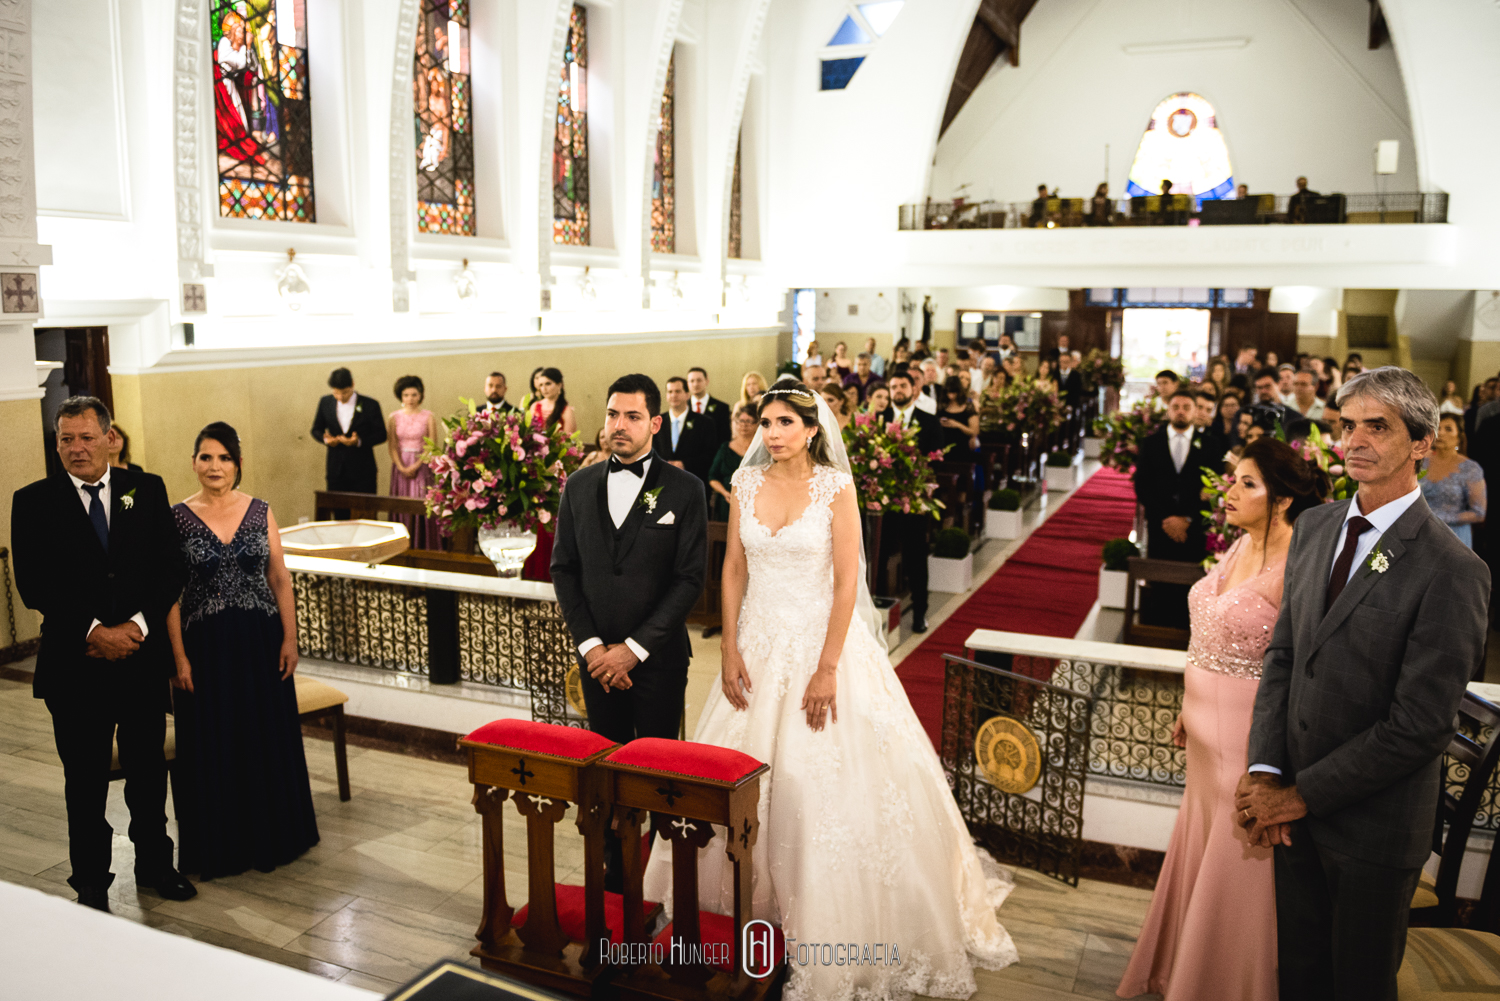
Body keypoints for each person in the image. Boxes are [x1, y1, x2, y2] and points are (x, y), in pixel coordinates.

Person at [641, 383, 1018, 998]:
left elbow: (849, 583)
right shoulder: (744, 485)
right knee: (740, 779)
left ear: (812, 429)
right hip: (758, 648)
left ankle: (828, 923)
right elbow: (732, 568)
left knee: (822, 787)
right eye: (766, 422)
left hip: (824, 645)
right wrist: (730, 646)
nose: (773, 433)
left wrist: (827, 668)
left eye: (786, 422)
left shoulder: (836, 489)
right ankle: (728, 911)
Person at [1237, 367, 1489, 1001]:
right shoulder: (1318, 526)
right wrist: (1267, 770)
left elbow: (1419, 726)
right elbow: (1286, 655)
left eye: (1379, 426)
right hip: (1293, 808)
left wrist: (1298, 795)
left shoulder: (1451, 568)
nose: (1356, 440)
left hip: (1374, 829)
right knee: (1297, 977)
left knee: (1356, 987)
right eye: (1347, 426)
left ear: (1423, 442)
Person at [1119, 437, 1328, 1001]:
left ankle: (1227, 984)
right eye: (1233, 479)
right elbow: (1207, 634)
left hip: (1248, 740)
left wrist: (1277, 760)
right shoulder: (1237, 546)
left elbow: (1303, 666)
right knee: (1201, 844)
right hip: (1203, 738)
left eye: (1248, 484)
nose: (1229, 491)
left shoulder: (1301, 564)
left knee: (1239, 863)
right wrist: (1189, 708)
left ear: (1283, 500)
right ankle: (1181, 965)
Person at [10, 396, 194, 910]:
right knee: (84, 781)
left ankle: (157, 865)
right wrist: (94, 631)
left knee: (147, 773)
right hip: (76, 668)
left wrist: (135, 626)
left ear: (109, 439)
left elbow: (170, 569)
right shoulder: (33, 501)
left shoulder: (147, 489)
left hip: (139, 664)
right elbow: (34, 586)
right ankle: (90, 879)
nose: (76, 448)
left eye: (86, 437)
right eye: (66, 439)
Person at [550, 373, 707, 893]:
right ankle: (613, 878)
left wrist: (633, 650)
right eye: (613, 415)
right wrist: (593, 648)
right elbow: (564, 570)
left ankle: (662, 882)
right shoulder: (578, 485)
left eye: (633, 416)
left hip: (657, 660)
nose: (619, 426)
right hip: (596, 663)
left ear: (655, 423)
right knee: (605, 777)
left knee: (659, 778)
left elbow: (689, 580)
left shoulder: (684, 490)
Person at [166, 422, 319, 879]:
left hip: (260, 642)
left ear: (237, 464)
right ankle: (222, 845)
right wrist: (178, 658)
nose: (215, 466)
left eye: (224, 458)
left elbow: (279, 578)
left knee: (263, 735)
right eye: (206, 457)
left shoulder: (261, 510)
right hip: (205, 650)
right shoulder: (174, 517)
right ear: (193, 462)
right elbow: (168, 595)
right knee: (215, 741)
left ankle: (276, 835)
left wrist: (290, 638)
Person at [1134, 391, 1211, 625]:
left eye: (1187, 406)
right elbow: (1142, 485)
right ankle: (1156, 627)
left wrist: (1188, 518)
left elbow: (1213, 488)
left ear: (1195, 410)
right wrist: (1165, 518)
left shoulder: (1210, 444)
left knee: (1191, 584)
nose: (1181, 411)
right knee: (1160, 582)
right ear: (1168, 409)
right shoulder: (1151, 442)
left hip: (1194, 528)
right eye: (1176, 406)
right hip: (1160, 525)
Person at [875, 370, 942, 632]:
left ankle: (919, 612)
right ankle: (878, 611)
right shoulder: (879, 420)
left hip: (913, 500)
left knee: (916, 556)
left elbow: (935, 456)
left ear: (913, 389)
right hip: (882, 501)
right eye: (894, 386)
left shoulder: (929, 421)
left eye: (903, 385)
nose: (898, 390)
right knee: (879, 555)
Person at [310, 367, 387, 497]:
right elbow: (316, 429)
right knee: (339, 513)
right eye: (336, 393)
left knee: (364, 511)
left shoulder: (370, 404)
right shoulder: (325, 402)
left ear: (352, 385)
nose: (340, 397)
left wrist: (359, 441)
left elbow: (381, 434)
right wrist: (326, 439)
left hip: (363, 470)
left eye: (345, 393)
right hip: (336, 470)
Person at [386, 375, 443, 548]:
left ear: (420, 396)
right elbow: (392, 445)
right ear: (400, 396)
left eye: (414, 395)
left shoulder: (428, 416)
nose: (410, 399)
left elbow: (432, 445)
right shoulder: (394, 417)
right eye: (406, 395)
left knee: (421, 504)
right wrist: (401, 467)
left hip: (422, 466)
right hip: (400, 466)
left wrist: (417, 465)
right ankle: (401, 544)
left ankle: (423, 544)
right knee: (401, 504)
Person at [1421, 413, 1486, 548]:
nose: (1441, 433)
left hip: (1454, 538)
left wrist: (1441, 517)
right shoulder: (1421, 462)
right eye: (1438, 428)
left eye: (1448, 429)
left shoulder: (1470, 468)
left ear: (1459, 437)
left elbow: (1479, 513)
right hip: (1421, 534)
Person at [653, 375, 717, 487]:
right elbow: (651, 451)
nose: (673, 395)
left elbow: (710, 455)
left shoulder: (704, 423)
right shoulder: (657, 422)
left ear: (687, 394)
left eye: (678, 391)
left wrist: (684, 464)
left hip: (693, 483)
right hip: (662, 484)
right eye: (670, 392)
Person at [707, 403, 757, 522]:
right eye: (741, 421)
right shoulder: (725, 448)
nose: (744, 425)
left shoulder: (761, 449)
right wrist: (725, 493)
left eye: (749, 421)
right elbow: (712, 477)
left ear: (756, 424)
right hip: (727, 502)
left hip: (754, 503)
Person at [686, 366, 731, 444]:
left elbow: (725, 438)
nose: (695, 384)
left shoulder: (722, 408)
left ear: (707, 381)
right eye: (692, 381)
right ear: (687, 384)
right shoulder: (683, 407)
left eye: (699, 380)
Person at [938, 376, 979, 456]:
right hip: (944, 447)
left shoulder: (968, 407)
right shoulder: (941, 407)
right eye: (949, 392)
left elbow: (974, 431)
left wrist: (957, 425)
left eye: (954, 392)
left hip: (962, 447)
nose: (951, 395)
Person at [530, 366, 577, 435]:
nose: (544, 388)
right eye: (541, 385)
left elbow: (568, 440)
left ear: (559, 385)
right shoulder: (535, 406)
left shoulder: (566, 411)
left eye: (548, 384)